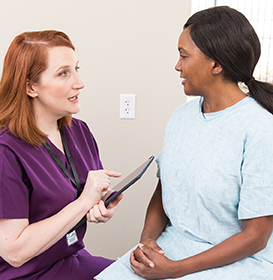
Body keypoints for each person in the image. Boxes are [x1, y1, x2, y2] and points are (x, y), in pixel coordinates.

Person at [95, 6, 273, 280]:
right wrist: (146, 244)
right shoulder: (182, 117)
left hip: (237, 260)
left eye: (184, 56)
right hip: (175, 246)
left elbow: (256, 237)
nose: (177, 66)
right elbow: (164, 189)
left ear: (216, 64)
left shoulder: (259, 129)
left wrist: (175, 270)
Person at [0, 30, 123, 280]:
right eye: (64, 73)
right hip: (14, 274)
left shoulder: (78, 132)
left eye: (76, 68)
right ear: (31, 87)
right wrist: (84, 202)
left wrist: (99, 203)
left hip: (65, 257)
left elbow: (78, 194)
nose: (79, 82)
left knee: (137, 274)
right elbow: (14, 251)